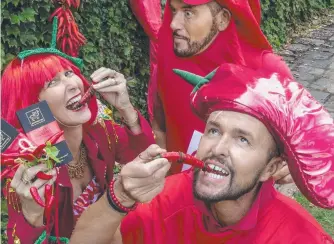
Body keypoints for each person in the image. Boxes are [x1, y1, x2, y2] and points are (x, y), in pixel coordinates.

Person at [70, 64, 333, 244]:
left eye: (243, 140)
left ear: (271, 168)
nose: (216, 149)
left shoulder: (301, 236)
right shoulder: (165, 200)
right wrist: (121, 196)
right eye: (214, 131)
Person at [1, 19, 154, 243]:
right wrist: (32, 215)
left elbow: (145, 158)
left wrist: (126, 109)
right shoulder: (30, 173)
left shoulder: (101, 133)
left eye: (69, 73)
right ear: (31, 108)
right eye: (51, 83)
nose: (73, 84)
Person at [151, 0, 294, 176]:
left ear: (222, 19)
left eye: (188, 13)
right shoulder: (167, 66)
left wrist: (289, 167)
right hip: (178, 193)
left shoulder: (268, 72)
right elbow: (159, 126)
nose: (173, 24)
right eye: (173, 11)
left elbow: (305, 140)